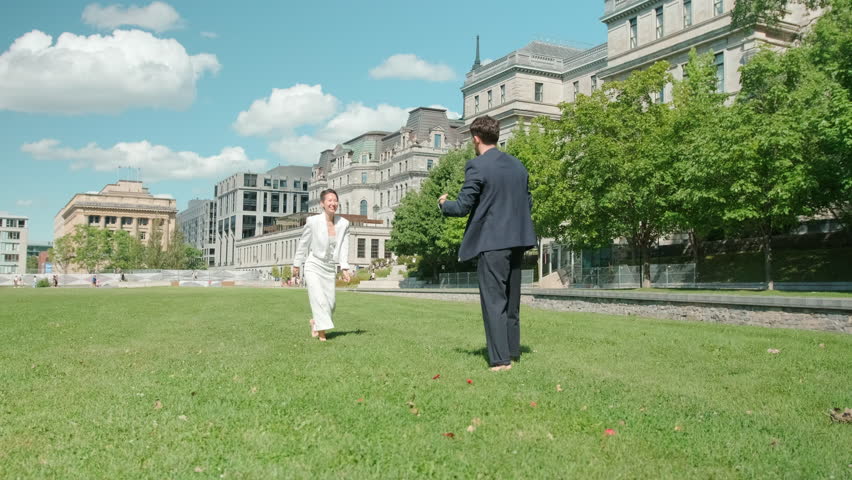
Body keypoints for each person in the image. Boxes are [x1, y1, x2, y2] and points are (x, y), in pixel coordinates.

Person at [439, 115, 537, 372]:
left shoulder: (477, 166)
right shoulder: (518, 166)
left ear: (476, 138)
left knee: (494, 301)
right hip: (518, 240)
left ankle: (500, 360)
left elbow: (462, 207)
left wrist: (443, 205)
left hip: (492, 243)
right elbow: (528, 202)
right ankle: (512, 352)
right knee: (511, 300)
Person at [293, 189, 352, 341]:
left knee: (330, 304)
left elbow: (344, 247)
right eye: (329, 200)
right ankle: (322, 334)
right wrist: (296, 264)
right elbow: (303, 243)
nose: (333, 203)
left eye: (335, 200)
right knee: (318, 298)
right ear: (322, 204)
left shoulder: (344, 224)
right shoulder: (313, 222)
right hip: (313, 265)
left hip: (329, 267)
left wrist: (344, 268)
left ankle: (315, 323)